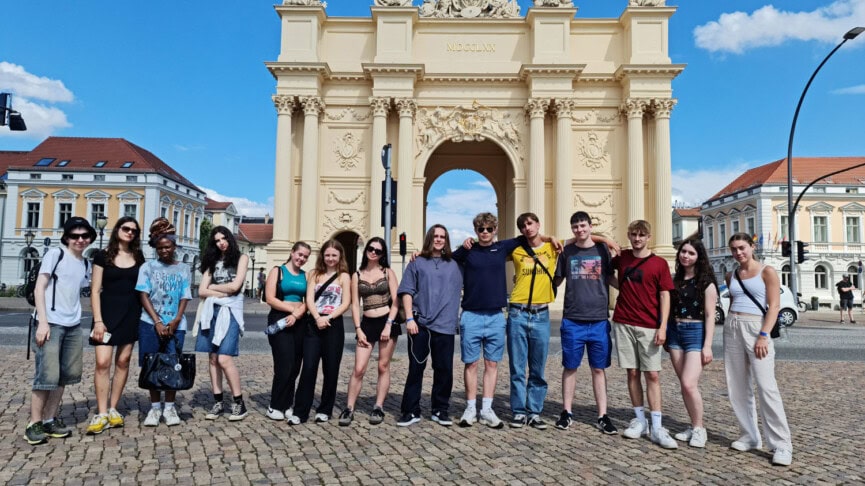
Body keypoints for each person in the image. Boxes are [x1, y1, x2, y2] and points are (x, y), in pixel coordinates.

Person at [24, 217, 94, 445]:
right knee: (46, 375)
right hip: (51, 323)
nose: (80, 240)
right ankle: (34, 423)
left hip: (73, 324)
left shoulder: (85, 263)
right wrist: (42, 322)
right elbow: (39, 287)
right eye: (75, 236)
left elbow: (89, 287)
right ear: (66, 237)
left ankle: (50, 419)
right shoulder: (56, 254)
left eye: (84, 236)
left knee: (64, 375)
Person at [725, 232, 793, 466]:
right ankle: (750, 435)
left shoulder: (767, 271)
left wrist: (764, 335)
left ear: (752, 247)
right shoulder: (731, 274)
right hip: (732, 325)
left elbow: (774, 305)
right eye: (734, 249)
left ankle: (781, 444)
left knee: (766, 387)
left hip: (757, 327)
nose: (738, 253)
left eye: (742, 247)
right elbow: (733, 302)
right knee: (737, 385)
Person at [610, 220, 677, 449]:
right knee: (632, 372)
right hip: (623, 321)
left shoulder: (659, 263)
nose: (637, 238)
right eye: (633, 234)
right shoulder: (623, 257)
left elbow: (665, 295)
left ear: (648, 237)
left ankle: (657, 425)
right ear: (628, 235)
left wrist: (663, 326)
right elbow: (606, 271)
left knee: (653, 375)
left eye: (641, 235)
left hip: (649, 325)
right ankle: (640, 421)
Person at [552, 211, 617, 435]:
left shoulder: (602, 250)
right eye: (575, 227)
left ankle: (603, 415)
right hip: (573, 318)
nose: (580, 230)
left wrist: (631, 289)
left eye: (583, 226)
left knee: (598, 369)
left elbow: (609, 277)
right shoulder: (566, 252)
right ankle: (566, 411)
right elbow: (556, 278)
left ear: (590, 226)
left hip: (598, 319)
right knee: (570, 367)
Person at [396, 224, 463, 427]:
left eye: (442, 236)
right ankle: (410, 411)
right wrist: (408, 318)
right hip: (420, 324)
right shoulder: (417, 262)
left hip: (446, 325)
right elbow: (406, 291)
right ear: (429, 238)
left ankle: (440, 409)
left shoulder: (456, 263)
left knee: (444, 370)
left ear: (447, 240)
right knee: (416, 368)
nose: (439, 239)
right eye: (435, 236)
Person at [85, 217, 145, 435]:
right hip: (107, 314)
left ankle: (113, 408)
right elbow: (94, 290)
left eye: (134, 231)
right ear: (117, 230)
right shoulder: (103, 255)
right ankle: (101, 412)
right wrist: (98, 320)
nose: (130, 233)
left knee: (123, 361)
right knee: (102, 363)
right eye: (126, 228)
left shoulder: (138, 256)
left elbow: (142, 288)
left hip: (131, 312)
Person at [136, 218, 192, 427]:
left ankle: (169, 407)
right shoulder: (147, 267)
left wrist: (176, 320)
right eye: (160, 248)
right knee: (152, 365)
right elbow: (143, 295)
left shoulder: (183, 268)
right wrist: (157, 321)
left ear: (174, 246)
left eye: (168, 247)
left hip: (176, 324)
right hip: (149, 323)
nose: (164, 251)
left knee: (173, 365)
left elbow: (185, 295)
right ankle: (154, 408)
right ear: (155, 248)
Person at [339, 237, 400, 426]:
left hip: (387, 321)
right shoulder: (357, 275)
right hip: (367, 324)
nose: (374, 252)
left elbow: (397, 301)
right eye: (371, 248)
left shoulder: (388, 273)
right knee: (359, 368)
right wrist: (358, 328)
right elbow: (355, 305)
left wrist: (389, 324)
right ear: (366, 250)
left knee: (383, 366)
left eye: (378, 251)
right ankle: (349, 408)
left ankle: (378, 406)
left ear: (382, 255)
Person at [506, 212, 558, 429]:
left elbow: (582, 238)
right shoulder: (516, 250)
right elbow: (489, 249)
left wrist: (609, 240)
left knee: (538, 368)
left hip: (541, 314)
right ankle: (519, 411)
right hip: (517, 312)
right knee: (517, 368)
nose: (527, 228)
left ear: (538, 224)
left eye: (530, 223)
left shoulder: (553, 248)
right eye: (523, 226)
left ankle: (534, 411)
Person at [293, 239, 352, 423]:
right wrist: (317, 317)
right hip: (314, 323)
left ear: (340, 256)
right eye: (327, 255)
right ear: (322, 256)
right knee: (309, 367)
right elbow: (309, 298)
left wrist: (329, 318)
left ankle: (325, 409)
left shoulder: (344, 276)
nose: (330, 258)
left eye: (334, 255)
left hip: (333, 324)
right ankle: (300, 411)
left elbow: (346, 302)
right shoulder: (314, 274)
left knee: (331, 369)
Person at [667, 237, 717, 448]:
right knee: (685, 385)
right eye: (683, 252)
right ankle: (693, 425)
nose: (685, 256)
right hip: (675, 333)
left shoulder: (706, 282)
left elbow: (709, 315)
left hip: (695, 332)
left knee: (689, 383)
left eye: (691, 253)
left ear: (699, 257)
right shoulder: (675, 279)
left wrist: (707, 345)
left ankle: (699, 429)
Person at [196, 226, 249, 421]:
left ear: (230, 238)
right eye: (217, 240)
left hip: (231, 311)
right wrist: (221, 290)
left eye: (224, 238)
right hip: (212, 311)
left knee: (224, 359)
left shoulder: (241, 258)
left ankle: (238, 402)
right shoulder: (211, 262)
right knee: (212, 358)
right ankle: (218, 402)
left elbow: (236, 287)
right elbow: (201, 291)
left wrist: (213, 287)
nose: (221, 242)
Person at [263, 241, 311, 424]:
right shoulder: (278, 271)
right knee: (284, 364)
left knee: (295, 366)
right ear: (292, 253)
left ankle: (287, 405)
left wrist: (299, 313)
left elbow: (309, 299)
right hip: (280, 319)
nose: (301, 259)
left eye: (305, 256)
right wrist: (292, 311)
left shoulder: (306, 276)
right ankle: (275, 405)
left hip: (300, 321)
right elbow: (270, 298)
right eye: (299, 254)